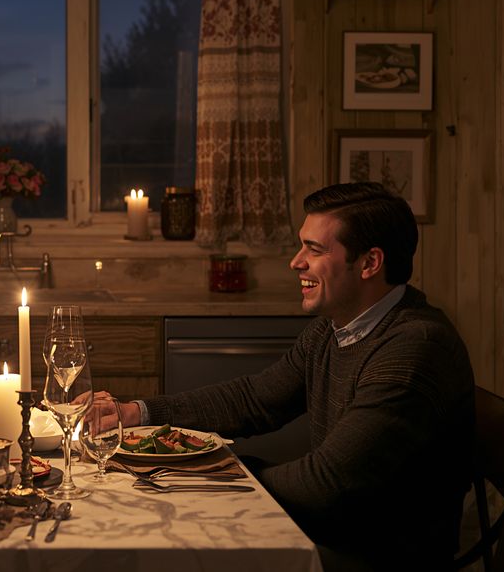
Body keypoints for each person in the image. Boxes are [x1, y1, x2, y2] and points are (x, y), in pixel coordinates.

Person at [101, 182, 475, 570]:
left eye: (314, 249)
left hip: (369, 555)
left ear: (369, 263)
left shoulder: (414, 348)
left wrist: (215, 472)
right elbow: (257, 399)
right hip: (325, 531)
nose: (296, 262)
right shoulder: (336, 327)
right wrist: (138, 413)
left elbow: (327, 483)